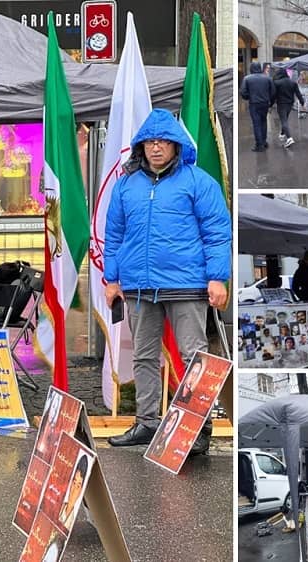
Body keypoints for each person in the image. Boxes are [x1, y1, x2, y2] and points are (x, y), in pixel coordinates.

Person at [103, 108, 230, 456]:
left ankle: (199, 428)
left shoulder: (199, 181)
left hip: (187, 284)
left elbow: (218, 233)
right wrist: (111, 278)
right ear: (140, 146)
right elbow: (113, 234)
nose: (155, 148)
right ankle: (146, 422)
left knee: (195, 358)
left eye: (163, 142)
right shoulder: (126, 185)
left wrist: (217, 277)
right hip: (139, 287)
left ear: (176, 146)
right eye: (149, 142)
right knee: (143, 356)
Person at [240, 62, 276, 152]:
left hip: (254, 103)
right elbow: (273, 92)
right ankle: (263, 141)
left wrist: (249, 97)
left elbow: (243, 92)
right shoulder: (268, 78)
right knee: (263, 122)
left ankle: (259, 144)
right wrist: (270, 103)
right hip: (265, 103)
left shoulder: (247, 78)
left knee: (257, 124)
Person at [273, 67, 304, 148]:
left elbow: (273, 95)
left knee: (283, 121)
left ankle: (289, 138)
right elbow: (298, 93)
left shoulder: (277, 83)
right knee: (285, 119)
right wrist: (302, 102)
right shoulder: (293, 83)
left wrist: (271, 104)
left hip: (281, 104)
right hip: (290, 104)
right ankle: (282, 134)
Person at [57, 454, 89, 529]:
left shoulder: (70, 522)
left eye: (78, 486)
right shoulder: (57, 508)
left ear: (82, 490)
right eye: (74, 483)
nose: (74, 490)